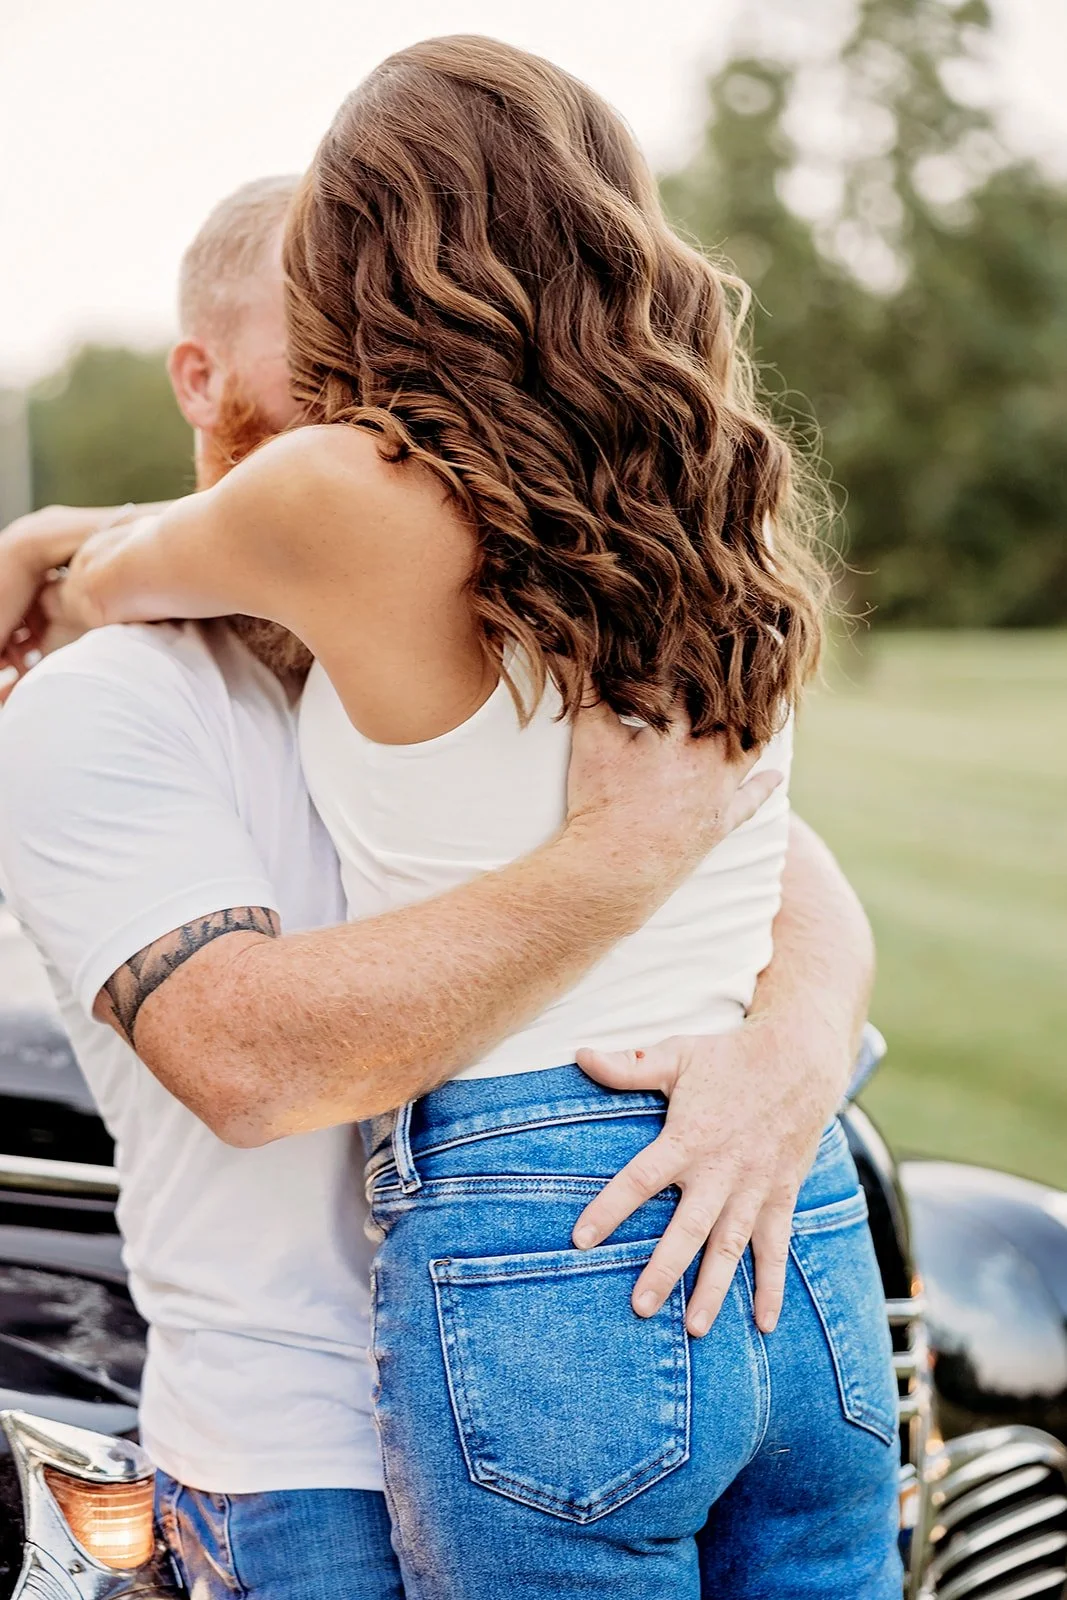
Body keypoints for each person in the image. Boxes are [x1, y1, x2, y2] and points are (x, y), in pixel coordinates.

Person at [35, 39, 902, 1598]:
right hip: (800, 1223)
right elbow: (759, 848)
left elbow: (116, 575)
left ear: (362, 258)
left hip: (544, 1218)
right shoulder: (710, 498)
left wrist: (53, 545)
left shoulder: (336, 497)